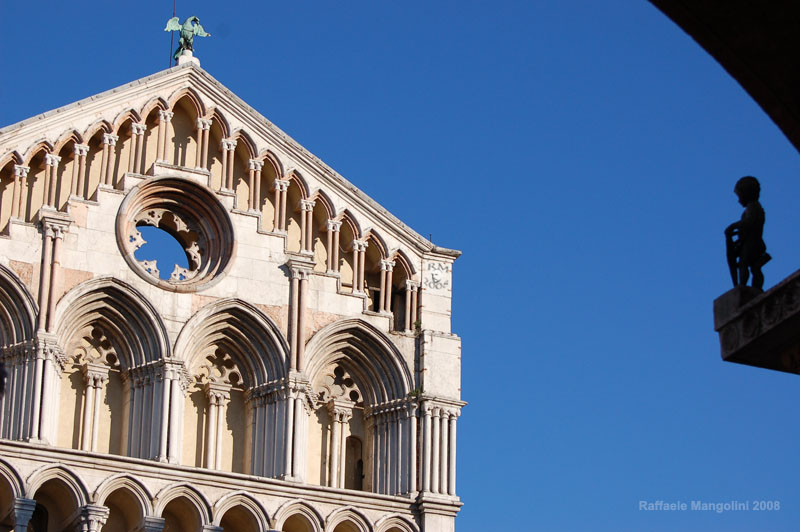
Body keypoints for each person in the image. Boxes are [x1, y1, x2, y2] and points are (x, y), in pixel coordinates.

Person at [725, 176, 770, 290]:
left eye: (740, 196)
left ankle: (743, 286)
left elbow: (749, 222)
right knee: (754, 268)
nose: (739, 200)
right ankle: (752, 287)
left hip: (752, 243)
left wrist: (734, 226)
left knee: (744, 264)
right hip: (752, 243)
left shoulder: (753, 207)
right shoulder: (752, 207)